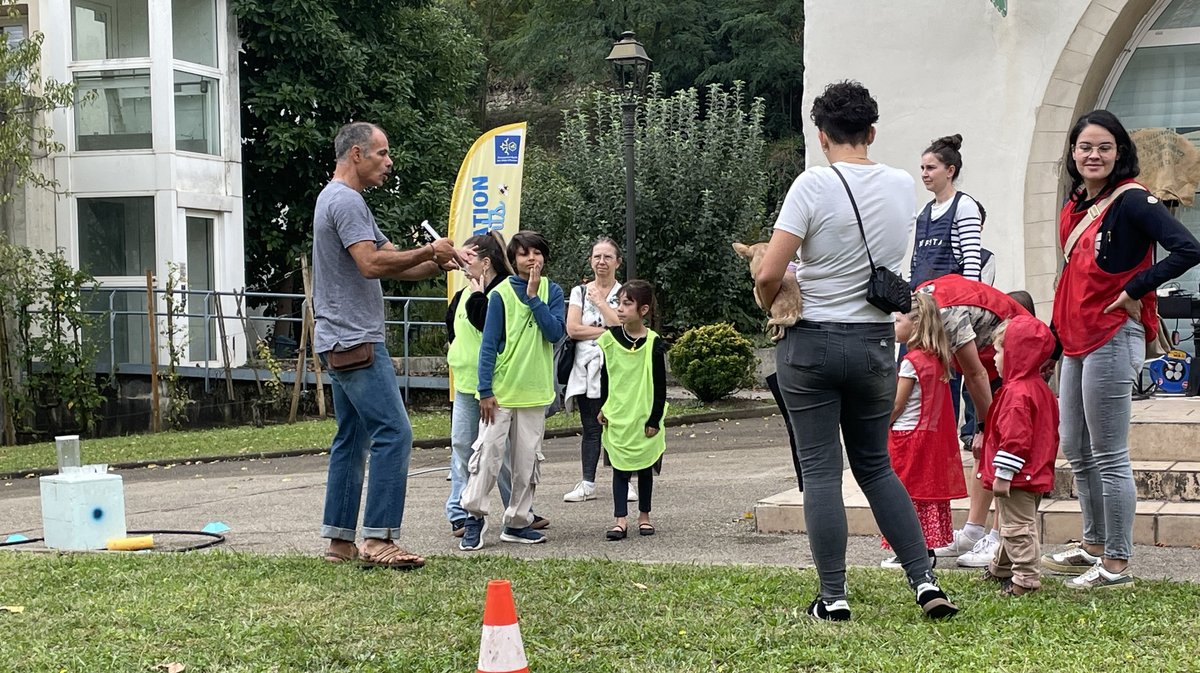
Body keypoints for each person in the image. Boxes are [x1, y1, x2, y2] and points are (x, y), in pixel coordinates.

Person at [755, 80, 958, 621]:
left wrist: (765, 295)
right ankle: (923, 581)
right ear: (871, 131)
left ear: (822, 137)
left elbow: (772, 270)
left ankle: (834, 595)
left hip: (812, 343)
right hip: (873, 344)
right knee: (876, 467)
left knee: (821, 470)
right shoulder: (899, 185)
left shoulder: (811, 185)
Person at [1043, 110, 1200, 589]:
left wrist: (1136, 288)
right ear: (1073, 153)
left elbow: (1187, 248)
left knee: (1108, 453)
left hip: (1112, 335)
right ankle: (1092, 542)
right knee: (1076, 445)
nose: (1094, 155)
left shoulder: (1132, 201)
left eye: (1104, 147)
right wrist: (1052, 339)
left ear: (1119, 153)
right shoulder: (1076, 203)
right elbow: (1071, 276)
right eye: (1085, 147)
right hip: (1074, 338)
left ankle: (1116, 561)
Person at [312, 121, 471, 569]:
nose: (389, 161)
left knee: (353, 435)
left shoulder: (342, 199)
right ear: (357, 154)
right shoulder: (345, 200)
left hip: (338, 337)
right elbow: (369, 263)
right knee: (395, 432)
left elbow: (392, 262)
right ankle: (379, 538)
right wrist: (426, 252)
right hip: (355, 338)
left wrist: (438, 261)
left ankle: (340, 541)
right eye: (382, 153)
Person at [914, 275, 1033, 569]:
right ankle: (973, 532)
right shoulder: (922, 302)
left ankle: (998, 535)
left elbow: (975, 374)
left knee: (1003, 448)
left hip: (1017, 353)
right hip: (989, 356)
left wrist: (986, 427)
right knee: (985, 450)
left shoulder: (946, 315)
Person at [459, 231, 566, 551]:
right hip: (501, 393)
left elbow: (555, 332)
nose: (531, 258)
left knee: (526, 463)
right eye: (523, 254)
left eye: (536, 252)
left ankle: (518, 523)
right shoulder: (501, 294)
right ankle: (474, 517)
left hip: (534, 392)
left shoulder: (552, 291)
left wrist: (534, 298)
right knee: (487, 455)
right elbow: (488, 345)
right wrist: (485, 390)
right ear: (513, 259)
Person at [880, 292, 966, 568]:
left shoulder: (910, 362)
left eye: (897, 320)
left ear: (914, 324)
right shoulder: (936, 359)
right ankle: (925, 549)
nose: (893, 325)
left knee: (904, 494)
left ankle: (908, 551)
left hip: (906, 438)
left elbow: (896, 405)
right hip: (928, 438)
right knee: (924, 495)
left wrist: (878, 421)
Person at [979, 316, 1058, 596]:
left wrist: (1003, 475)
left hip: (1018, 476)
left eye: (999, 351)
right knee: (1010, 524)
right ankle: (1000, 568)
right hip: (1033, 471)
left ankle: (1026, 580)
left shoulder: (1016, 393)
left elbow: (1015, 440)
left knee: (1017, 528)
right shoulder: (1038, 387)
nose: (995, 357)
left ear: (1016, 354)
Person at [562, 237, 636, 504]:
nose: (601, 262)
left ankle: (624, 480)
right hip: (586, 368)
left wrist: (603, 306)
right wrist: (607, 331)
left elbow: (625, 328)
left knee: (618, 425)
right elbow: (572, 329)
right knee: (591, 426)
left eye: (607, 257)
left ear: (617, 261)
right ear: (590, 260)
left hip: (616, 367)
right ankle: (587, 482)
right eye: (597, 257)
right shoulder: (579, 292)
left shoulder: (625, 293)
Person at [596, 280, 668, 541]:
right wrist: (603, 406)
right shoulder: (609, 340)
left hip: (643, 415)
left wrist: (655, 418)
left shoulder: (654, 343)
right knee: (619, 467)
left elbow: (660, 386)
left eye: (628, 303)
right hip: (618, 414)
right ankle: (620, 520)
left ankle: (645, 516)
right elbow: (606, 376)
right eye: (618, 303)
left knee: (645, 466)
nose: (620, 309)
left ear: (643, 309)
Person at [911, 134, 985, 288]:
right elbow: (916, 264)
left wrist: (967, 301)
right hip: (923, 300)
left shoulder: (964, 205)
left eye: (931, 168)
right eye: (922, 168)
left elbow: (972, 261)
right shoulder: (923, 212)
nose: (924, 174)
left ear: (950, 171)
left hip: (952, 300)